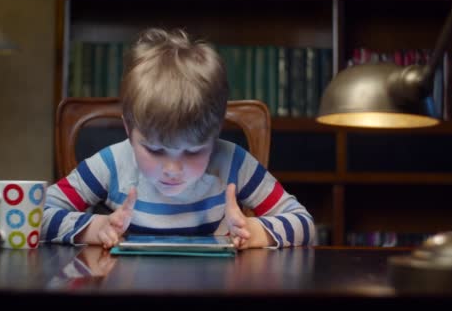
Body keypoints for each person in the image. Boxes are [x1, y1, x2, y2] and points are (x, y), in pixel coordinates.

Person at [42, 28, 315, 249]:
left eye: (194, 151)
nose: (172, 170)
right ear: (129, 128)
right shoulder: (112, 162)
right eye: (155, 150)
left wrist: (255, 231)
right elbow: (37, 215)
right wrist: (95, 227)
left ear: (215, 132)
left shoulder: (233, 163)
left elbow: (304, 223)